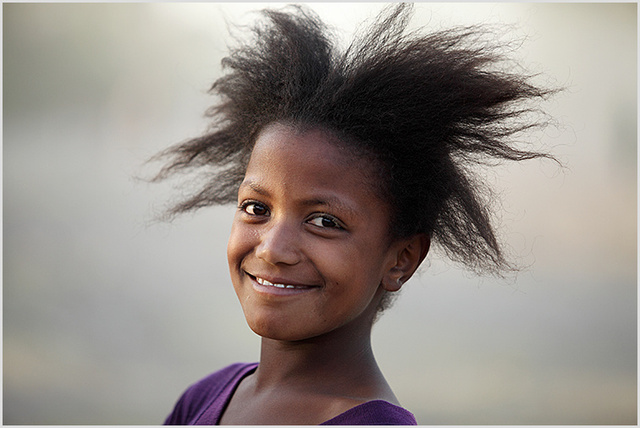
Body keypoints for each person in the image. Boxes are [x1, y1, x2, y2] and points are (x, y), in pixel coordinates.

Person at [155, 3, 557, 425]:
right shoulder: (206, 397)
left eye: (325, 221)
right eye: (257, 208)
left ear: (401, 259)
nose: (273, 248)